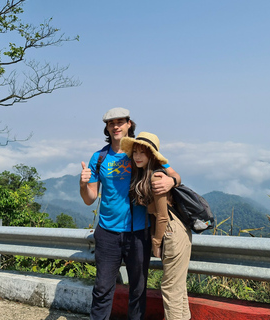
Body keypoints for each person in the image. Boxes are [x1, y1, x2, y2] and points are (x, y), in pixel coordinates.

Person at [80, 108, 181, 320]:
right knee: (102, 289)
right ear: (107, 128)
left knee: (138, 290)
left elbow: (174, 175)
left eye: (120, 122)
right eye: (111, 123)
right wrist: (82, 184)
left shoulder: (141, 151)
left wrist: (171, 181)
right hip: (107, 232)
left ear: (129, 124)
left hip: (139, 232)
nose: (115, 126)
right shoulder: (99, 158)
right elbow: (90, 198)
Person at [120, 132, 192, 320]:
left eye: (142, 153)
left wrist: (156, 243)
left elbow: (161, 217)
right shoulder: (148, 173)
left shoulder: (157, 177)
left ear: (151, 155)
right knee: (178, 286)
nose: (137, 156)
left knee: (170, 288)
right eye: (135, 152)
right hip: (176, 231)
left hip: (171, 233)